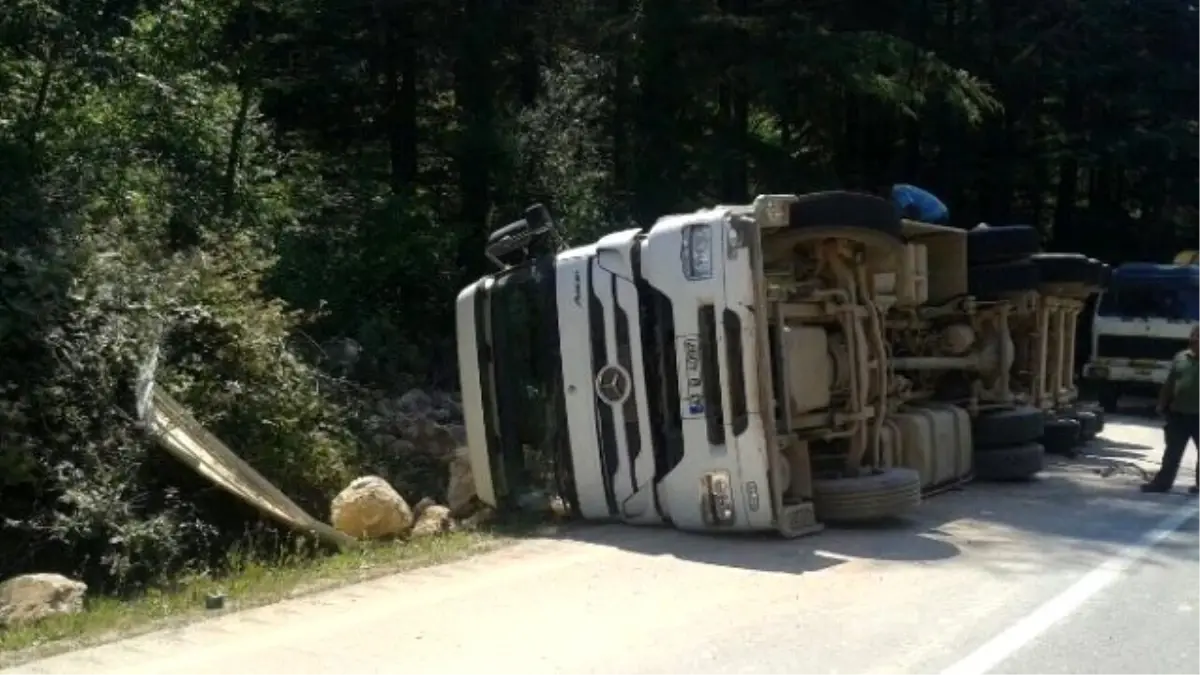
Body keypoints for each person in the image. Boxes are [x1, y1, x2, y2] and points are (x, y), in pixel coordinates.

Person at [1142, 323, 1200, 493]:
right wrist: (1162, 404)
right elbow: (1169, 383)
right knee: (1172, 452)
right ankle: (1162, 483)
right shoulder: (1181, 357)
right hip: (1178, 414)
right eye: (1194, 337)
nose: (1195, 340)